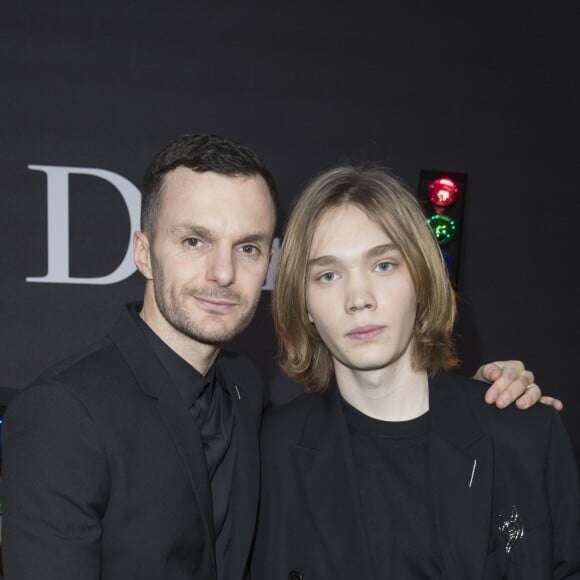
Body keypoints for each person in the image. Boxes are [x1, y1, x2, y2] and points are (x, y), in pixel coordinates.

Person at [1, 136, 550, 580]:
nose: (222, 272)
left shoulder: (246, 397)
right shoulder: (64, 413)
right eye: (194, 241)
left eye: (247, 247)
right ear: (144, 252)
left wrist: (494, 391)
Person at [251, 166, 579, 579]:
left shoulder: (526, 436)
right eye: (328, 275)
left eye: (383, 265)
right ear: (305, 306)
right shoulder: (267, 453)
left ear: (421, 280)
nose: (359, 299)